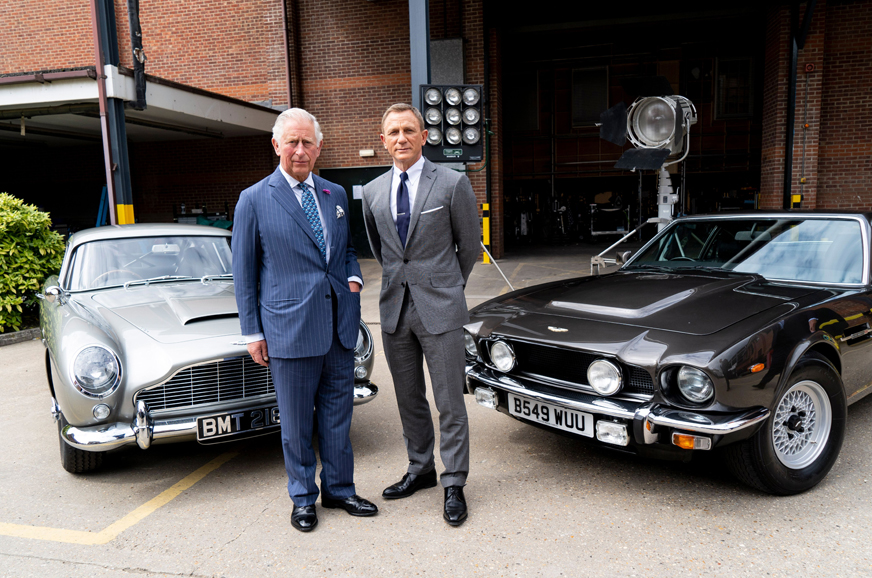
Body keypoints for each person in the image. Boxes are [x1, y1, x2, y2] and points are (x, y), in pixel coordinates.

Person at [232, 108, 377, 532]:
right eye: (292, 142)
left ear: (319, 147)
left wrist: (353, 281)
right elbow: (244, 272)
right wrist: (252, 331)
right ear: (276, 145)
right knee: (296, 424)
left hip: (339, 327)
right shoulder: (254, 199)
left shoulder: (334, 193)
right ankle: (302, 498)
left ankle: (340, 489)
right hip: (289, 330)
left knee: (337, 416)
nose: (300, 150)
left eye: (307, 142)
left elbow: (346, 250)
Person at [361, 103, 480, 526]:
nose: (401, 138)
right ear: (383, 141)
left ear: (424, 136)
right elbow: (382, 251)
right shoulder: (372, 191)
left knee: (449, 401)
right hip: (394, 310)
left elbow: (469, 246)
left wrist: (447, 287)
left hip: (441, 308)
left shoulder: (451, 183)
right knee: (409, 398)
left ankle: (454, 481)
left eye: (409, 130)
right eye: (393, 132)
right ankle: (421, 468)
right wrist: (404, 282)